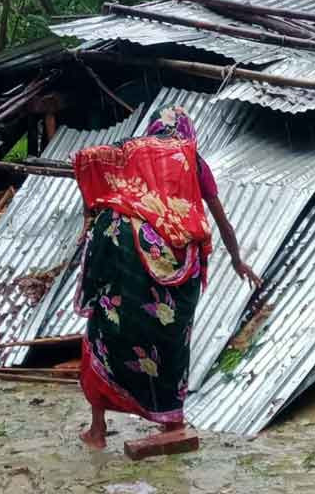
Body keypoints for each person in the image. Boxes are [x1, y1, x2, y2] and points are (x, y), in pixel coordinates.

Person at [71, 106, 262, 449]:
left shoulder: (131, 150)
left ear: (154, 128)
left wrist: (88, 218)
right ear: (186, 132)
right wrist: (237, 259)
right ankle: (172, 423)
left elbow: (88, 161)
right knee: (172, 341)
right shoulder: (192, 159)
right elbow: (220, 219)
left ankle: (97, 431)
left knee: (104, 327)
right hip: (177, 260)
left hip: (119, 244)